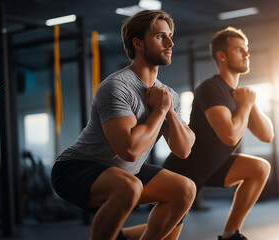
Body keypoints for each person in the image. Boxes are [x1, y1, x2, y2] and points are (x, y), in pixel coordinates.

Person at [51, 10, 196, 240]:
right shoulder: (117, 87)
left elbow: (184, 149)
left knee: (184, 190)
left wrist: (169, 110)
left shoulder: (169, 96)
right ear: (137, 43)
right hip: (76, 169)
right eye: (160, 36)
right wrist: (159, 111)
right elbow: (129, 150)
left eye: (170, 36)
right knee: (129, 187)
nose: (170, 42)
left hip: (123, 173)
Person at [163, 26, 274, 240]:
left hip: (212, 168)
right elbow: (230, 136)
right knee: (161, 236)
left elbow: (267, 135)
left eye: (247, 49)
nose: (247, 54)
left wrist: (250, 104)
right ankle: (118, 236)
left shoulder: (241, 97)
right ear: (222, 56)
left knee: (260, 168)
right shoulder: (211, 89)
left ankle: (231, 234)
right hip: (182, 173)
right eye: (239, 50)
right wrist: (246, 105)